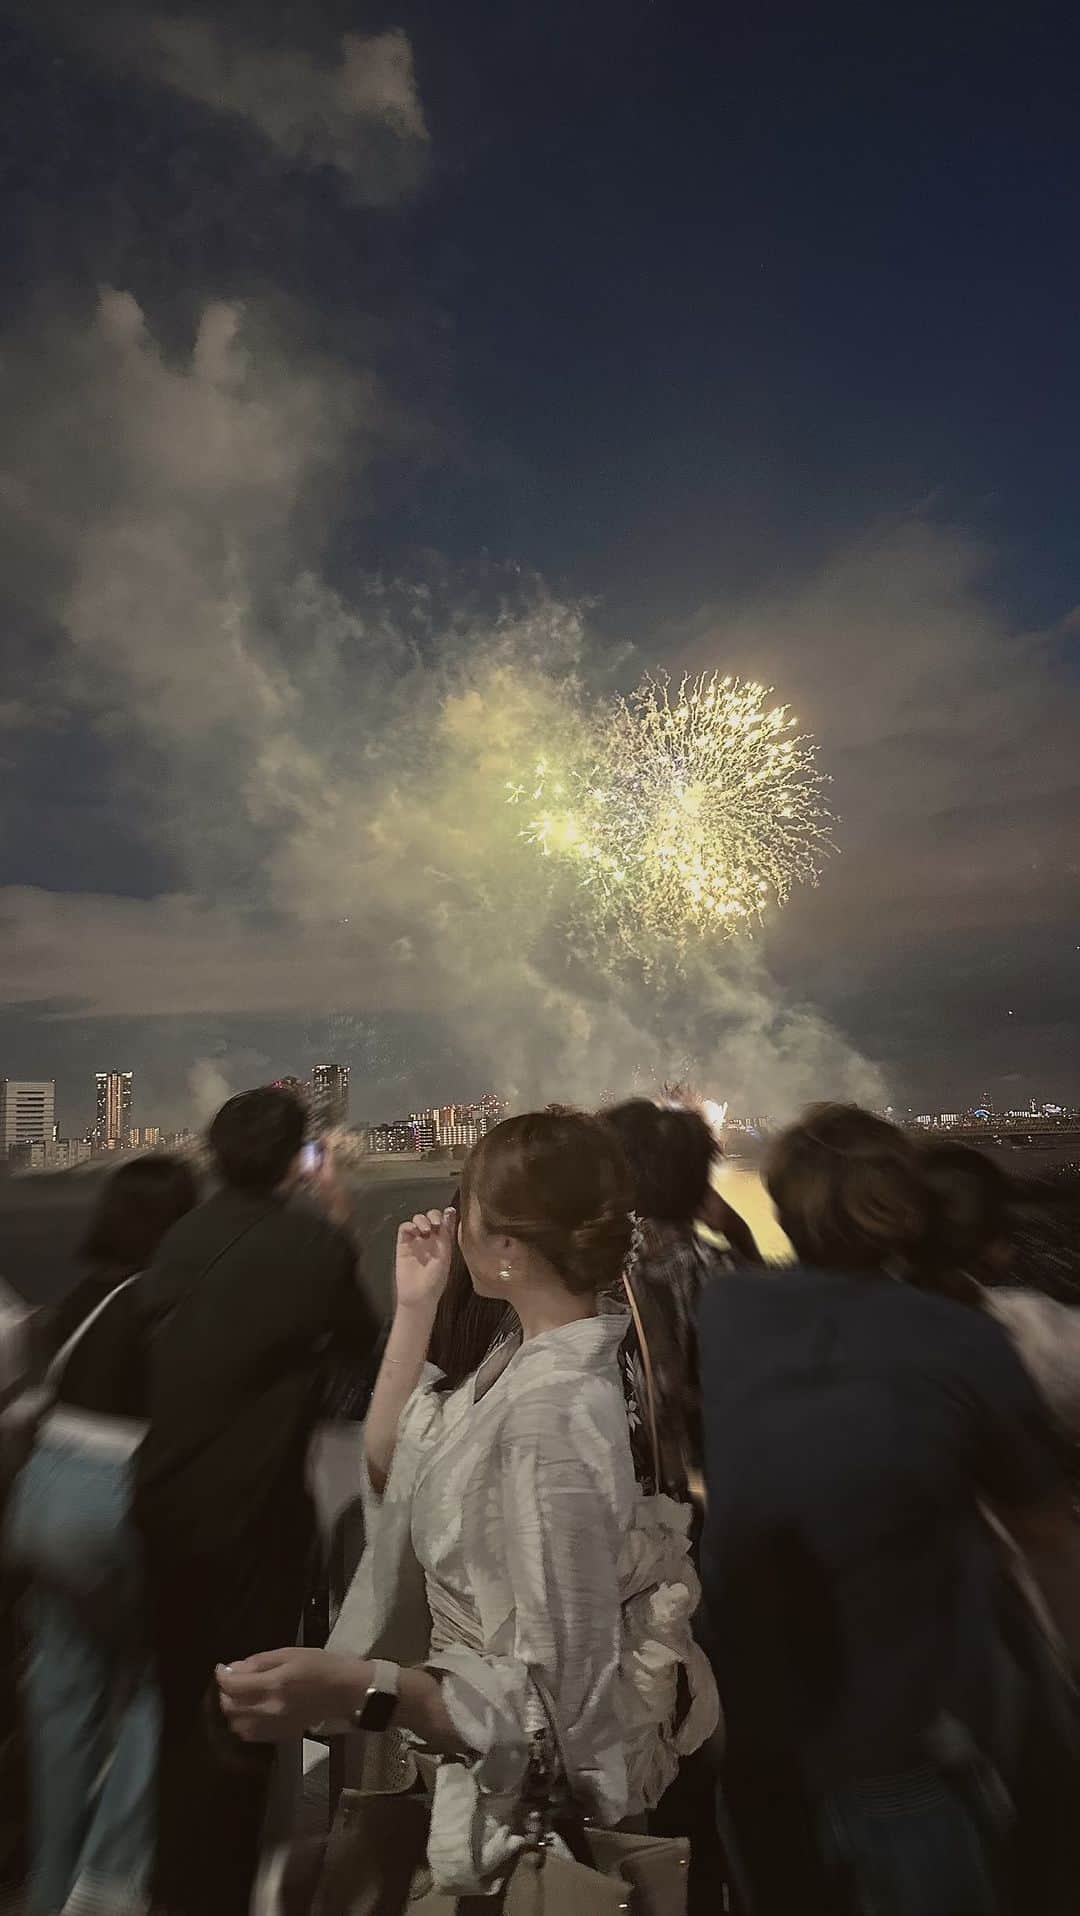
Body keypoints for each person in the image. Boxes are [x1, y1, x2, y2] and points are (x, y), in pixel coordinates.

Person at [217, 1109, 719, 1897]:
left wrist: (360, 1688)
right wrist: (415, 1308)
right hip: (470, 1759)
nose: (453, 1222)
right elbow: (396, 1459)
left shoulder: (551, 1419)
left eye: (469, 1206)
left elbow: (554, 1702)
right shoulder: (519, 1356)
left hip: (516, 1800)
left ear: (510, 1249)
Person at [698, 1103, 1080, 1916]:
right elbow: (1047, 1535)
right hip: (900, 1743)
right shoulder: (961, 1339)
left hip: (754, 1735)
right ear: (902, 1207)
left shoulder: (727, 1313)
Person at [132, 1089, 378, 1916]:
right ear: (297, 1160)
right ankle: (220, 1894)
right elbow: (364, 1354)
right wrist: (339, 1226)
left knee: (176, 1716)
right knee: (244, 1722)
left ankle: (172, 1889)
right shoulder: (310, 1243)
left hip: (163, 1504)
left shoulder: (180, 1235)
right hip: (250, 1515)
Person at [4, 1154, 198, 1916]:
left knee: (62, 1693)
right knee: (166, 1680)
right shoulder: (163, 1302)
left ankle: (49, 1887)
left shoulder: (79, 1297)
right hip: (110, 1500)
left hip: (41, 1499)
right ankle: (110, 1880)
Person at [603, 1095, 759, 1499]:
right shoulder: (723, 1270)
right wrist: (739, 1233)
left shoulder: (591, 1277)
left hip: (630, 1496)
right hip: (722, 1494)